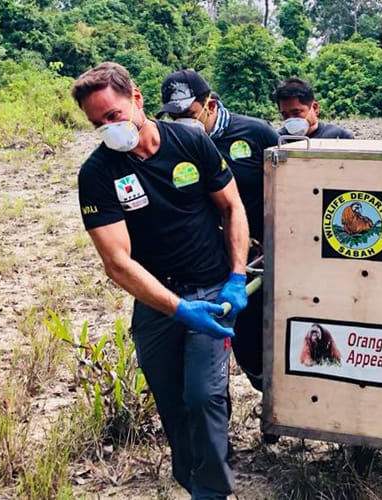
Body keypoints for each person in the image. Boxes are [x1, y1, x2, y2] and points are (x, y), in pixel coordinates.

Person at [72, 62, 250, 499]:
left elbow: (232, 208)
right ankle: (192, 479)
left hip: (211, 289)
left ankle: (211, 491)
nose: (109, 129)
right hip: (155, 300)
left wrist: (237, 276)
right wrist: (176, 308)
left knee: (204, 394)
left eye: (113, 116)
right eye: (98, 124)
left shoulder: (189, 140)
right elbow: (117, 262)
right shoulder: (98, 174)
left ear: (136, 98)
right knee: (172, 402)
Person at [158, 69, 278, 391]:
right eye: (174, 116)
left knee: (259, 339)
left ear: (209, 103)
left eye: (189, 113)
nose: (183, 121)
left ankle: (270, 397)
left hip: (257, 259)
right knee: (225, 347)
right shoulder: (172, 145)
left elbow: (287, 188)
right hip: (208, 261)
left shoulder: (255, 133)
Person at [274, 78, 354, 139]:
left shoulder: (339, 136)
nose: (291, 119)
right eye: (285, 115)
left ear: (315, 108)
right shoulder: (278, 139)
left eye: (296, 113)